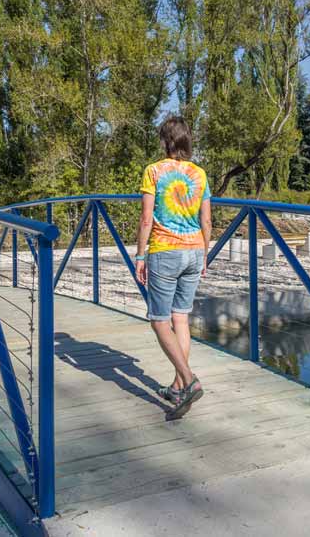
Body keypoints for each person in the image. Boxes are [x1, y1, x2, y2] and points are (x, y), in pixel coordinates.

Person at [135, 116, 211, 418]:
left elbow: (146, 218)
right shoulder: (199, 174)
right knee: (180, 318)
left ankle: (189, 380)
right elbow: (206, 219)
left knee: (158, 320)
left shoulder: (154, 171)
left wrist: (140, 255)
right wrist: (205, 252)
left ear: (165, 141)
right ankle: (178, 385)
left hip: (166, 251)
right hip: (194, 250)